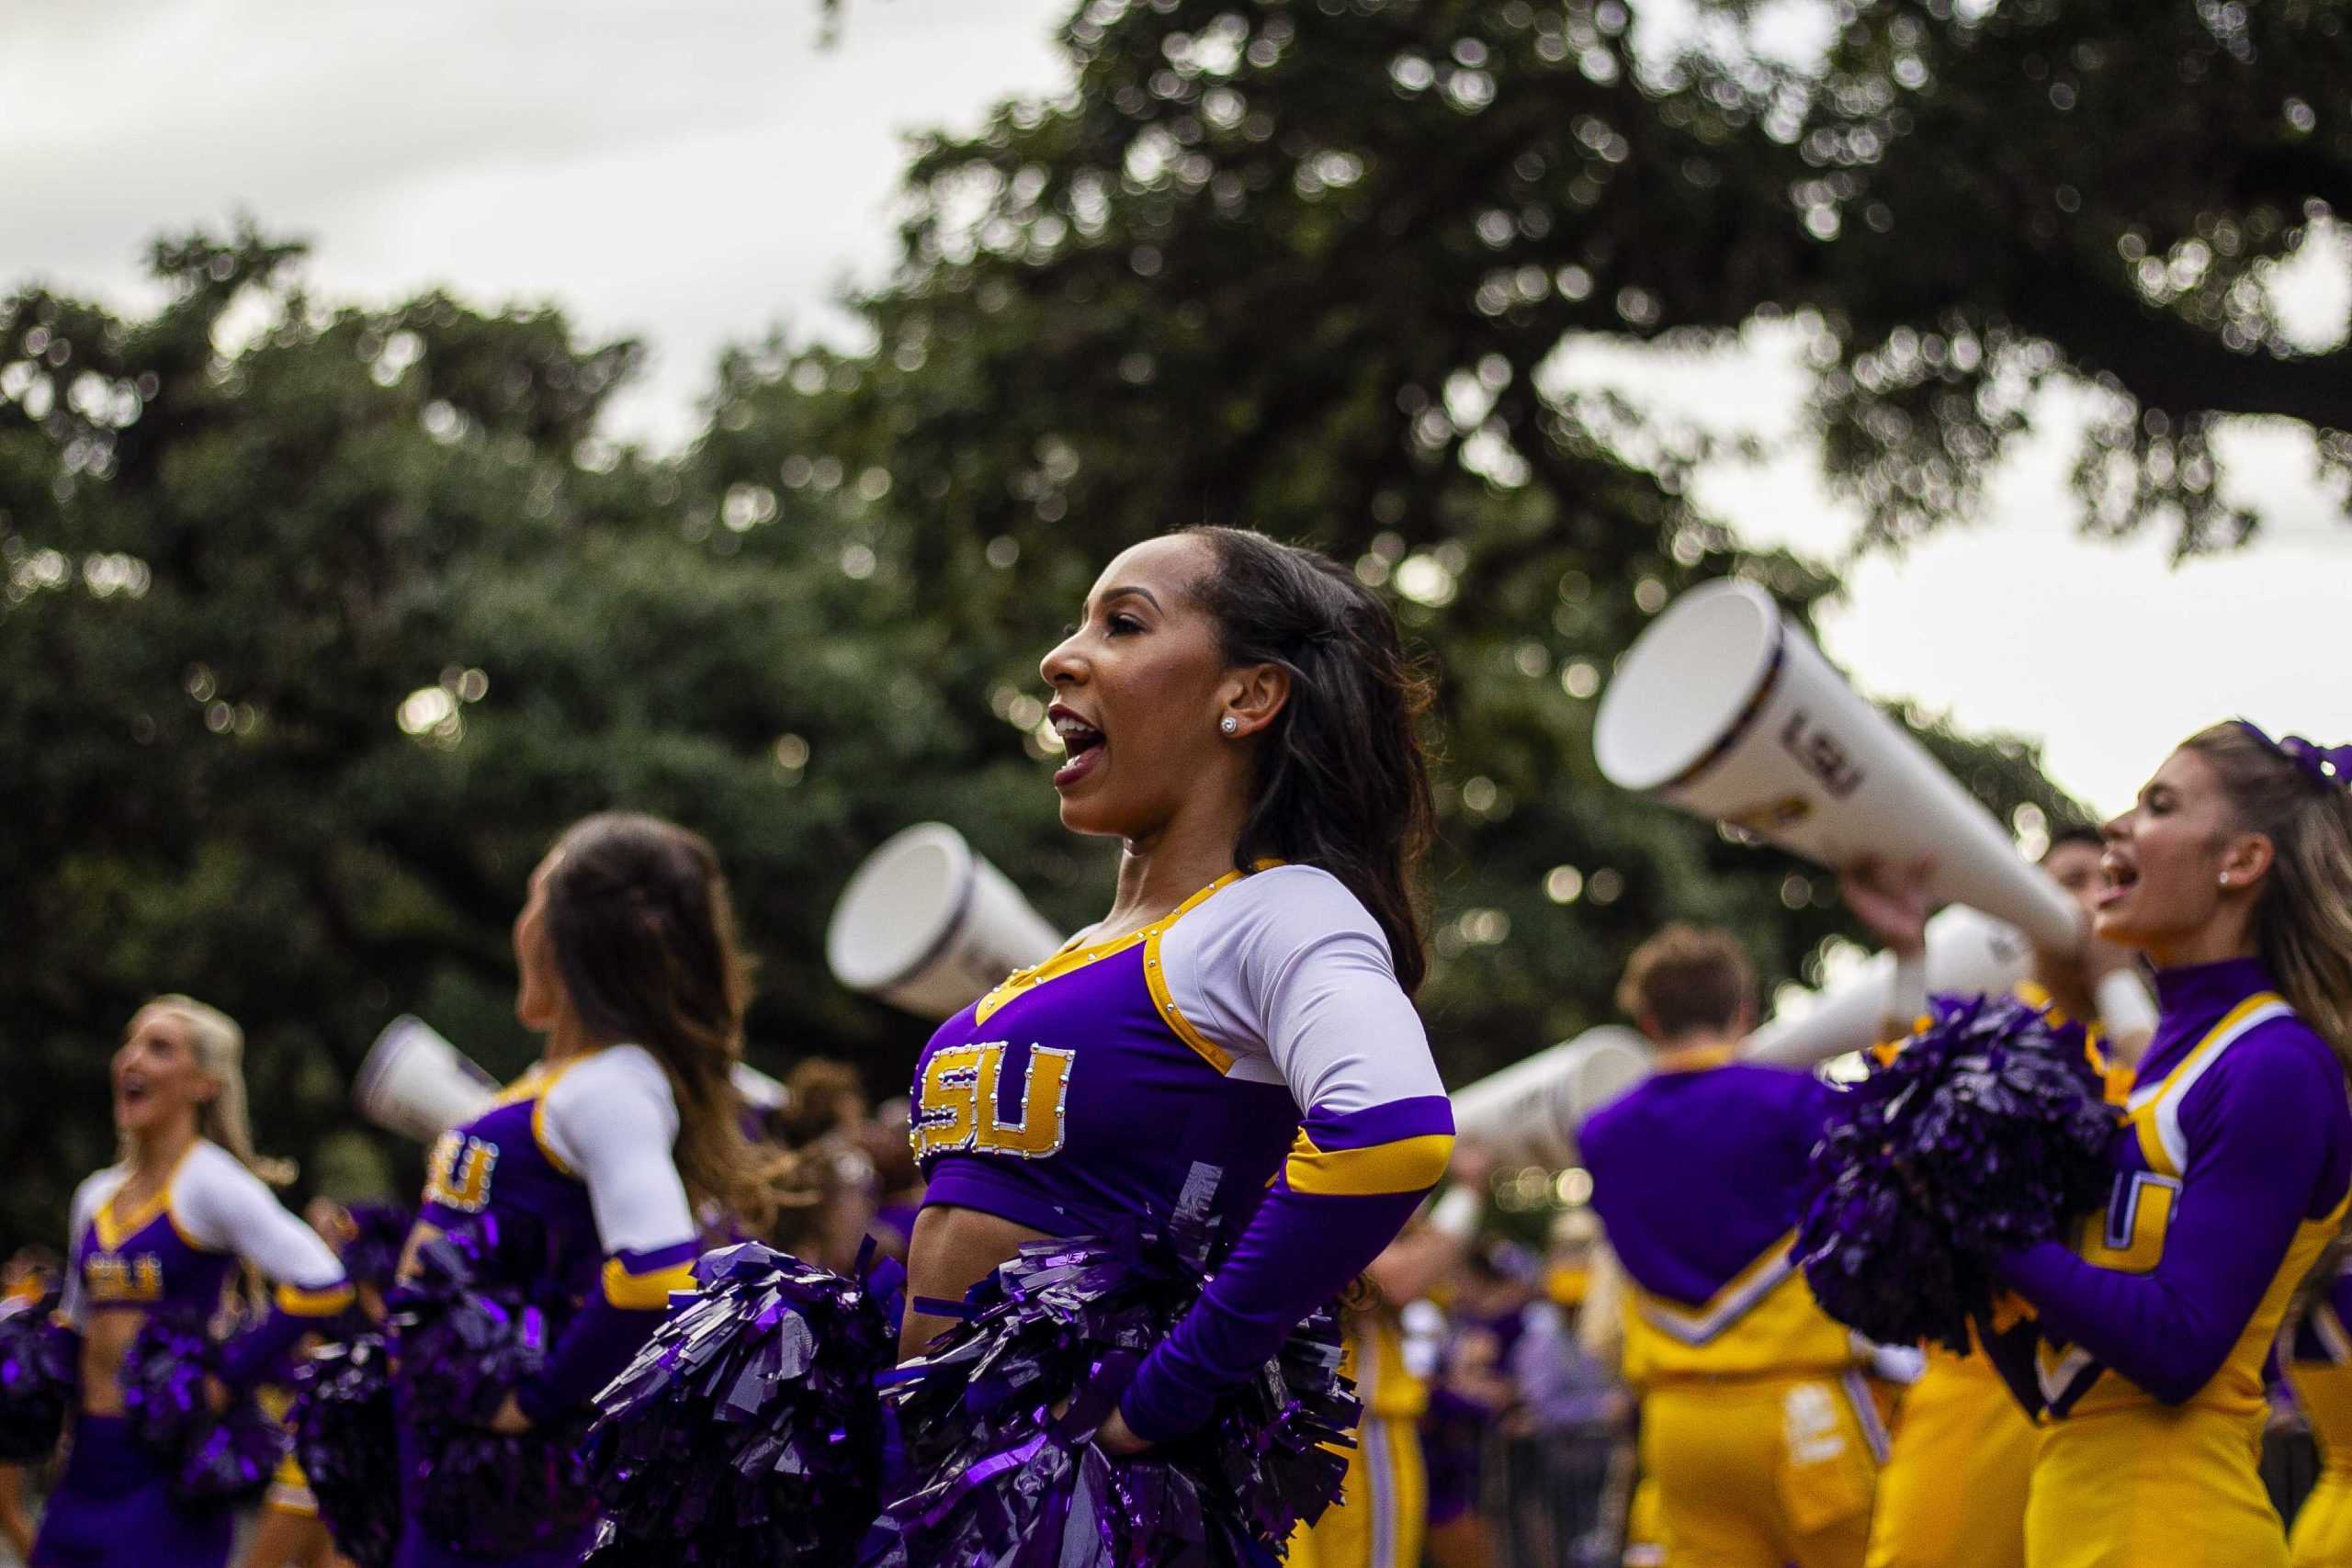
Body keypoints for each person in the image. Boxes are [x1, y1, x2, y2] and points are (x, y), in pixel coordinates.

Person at [902, 526, 1456, 1472]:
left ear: (1246, 696)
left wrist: (1160, 1400)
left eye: (1122, 624)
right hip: (937, 1482)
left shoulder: (1282, 909)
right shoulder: (1086, 948)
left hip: (1076, 1511)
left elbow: (1390, 1132)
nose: (1058, 657)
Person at [1985, 723, 2352, 1568]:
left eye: (2159, 805)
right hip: (2073, 1513)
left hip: (2177, 1526)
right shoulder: (2151, 1069)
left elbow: (2181, 1344)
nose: (2116, 825)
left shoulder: (2275, 1062)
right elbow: (2062, 1385)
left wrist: (1990, 1233)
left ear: (2242, 861)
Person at [392, 812, 799, 1568]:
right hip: (449, 1476)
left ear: (560, 935)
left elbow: (655, 1271)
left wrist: (536, 1401)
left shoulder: (611, 1084)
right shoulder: (559, 1083)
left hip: (518, 1504)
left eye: (530, 900)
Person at [1838, 826, 2155, 1568]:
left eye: (2099, 880)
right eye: (2061, 880)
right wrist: (1910, 957)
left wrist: (2114, 979)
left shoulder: (2177, 1031)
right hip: (1981, 1391)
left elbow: (2168, 1113)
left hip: (2132, 1403)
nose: (2077, 901)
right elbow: (1897, 1083)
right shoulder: (2000, 1032)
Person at [1578, 924, 1881, 1568]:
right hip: (1801, 1408)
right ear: (1743, 1010)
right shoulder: (1798, 1099)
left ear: (1649, 1019)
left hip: (1679, 1423)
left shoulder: (1600, 1134)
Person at [33, 998, 354, 1568]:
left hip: (165, 1477)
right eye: (129, 1043)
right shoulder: (94, 1195)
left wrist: (224, 1378)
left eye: (159, 1048)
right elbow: (75, 1318)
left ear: (204, 1083)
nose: (131, 1059)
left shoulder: (210, 1183)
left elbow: (323, 1281)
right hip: (83, 1470)